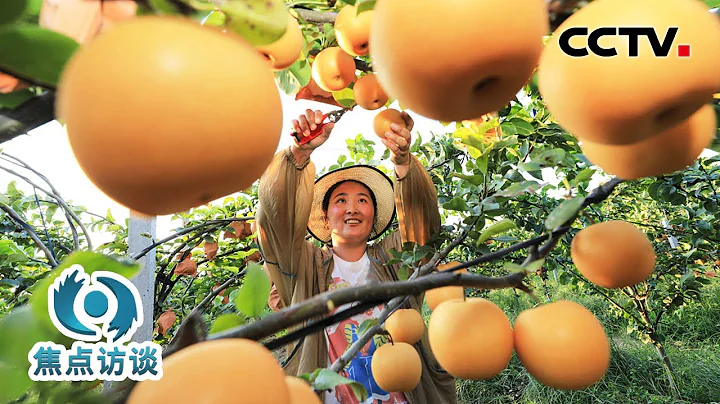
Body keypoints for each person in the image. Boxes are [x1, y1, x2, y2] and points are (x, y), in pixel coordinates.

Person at [256, 109, 457, 404]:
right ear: (325, 216)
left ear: (374, 215)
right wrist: (298, 154)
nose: (352, 208)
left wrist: (403, 163)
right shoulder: (303, 266)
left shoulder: (394, 258)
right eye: (341, 201)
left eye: (362, 200)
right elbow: (274, 220)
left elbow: (421, 223)